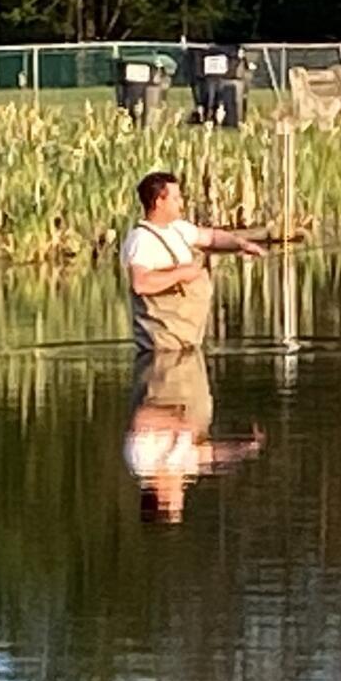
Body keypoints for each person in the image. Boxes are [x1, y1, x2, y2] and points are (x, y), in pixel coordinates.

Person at [123, 170, 265, 354]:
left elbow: (212, 237)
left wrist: (242, 244)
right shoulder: (141, 240)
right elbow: (141, 283)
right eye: (176, 198)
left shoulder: (177, 229)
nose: (181, 203)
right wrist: (181, 274)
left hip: (185, 343)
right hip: (161, 347)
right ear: (159, 201)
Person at [123, 352, 264, 524]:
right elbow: (210, 455)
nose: (182, 495)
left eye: (177, 502)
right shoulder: (182, 470)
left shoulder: (143, 462)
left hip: (168, 379)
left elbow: (142, 417)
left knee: (174, 347)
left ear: (163, 498)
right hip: (190, 380)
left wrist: (177, 422)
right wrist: (244, 449)